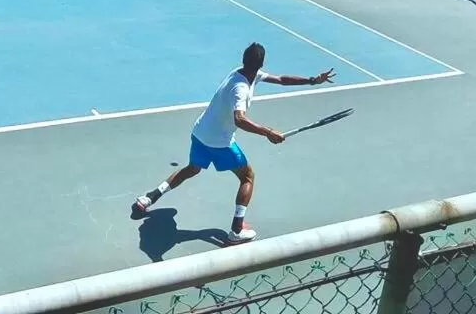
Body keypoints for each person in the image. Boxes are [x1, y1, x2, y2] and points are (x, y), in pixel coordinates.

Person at [132, 42, 334, 244]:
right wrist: (268, 132)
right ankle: (236, 230)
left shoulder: (240, 73)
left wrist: (312, 81)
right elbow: (239, 119)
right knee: (247, 176)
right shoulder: (241, 88)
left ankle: (148, 198)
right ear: (261, 63)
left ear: (243, 60)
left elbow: (281, 79)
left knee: (192, 168)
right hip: (220, 142)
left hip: (200, 132)